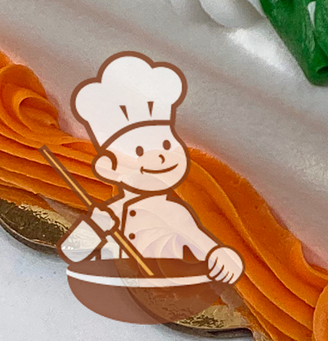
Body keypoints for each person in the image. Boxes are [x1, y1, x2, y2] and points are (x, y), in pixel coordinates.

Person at [58, 52, 243, 283]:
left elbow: (204, 243)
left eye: (166, 145)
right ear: (109, 168)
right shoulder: (113, 211)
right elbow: (74, 250)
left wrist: (220, 255)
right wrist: (96, 223)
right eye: (138, 151)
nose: (160, 157)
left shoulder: (174, 211)